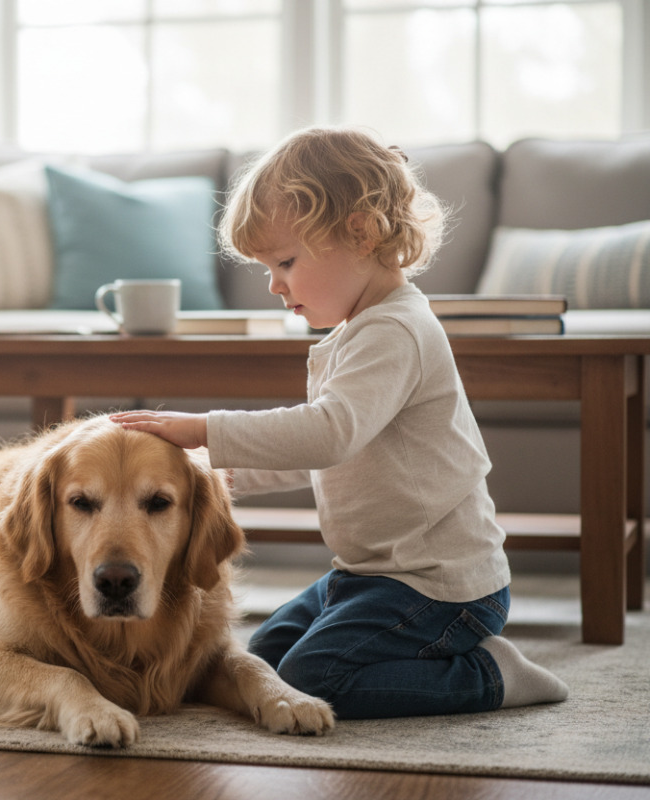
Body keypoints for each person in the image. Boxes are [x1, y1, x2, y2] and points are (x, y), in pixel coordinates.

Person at [110, 126, 568, 719]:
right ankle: (430, 658)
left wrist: (204, 429)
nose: (274, 284)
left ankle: (490, 674)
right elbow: (316, 453)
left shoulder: (395, 330)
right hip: (368, 574)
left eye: (285, 261)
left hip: (440, 585)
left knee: (314, 675)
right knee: (261, 658)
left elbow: (328, 432)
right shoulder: (353, 335)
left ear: (361, 231)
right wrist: (202, 476)